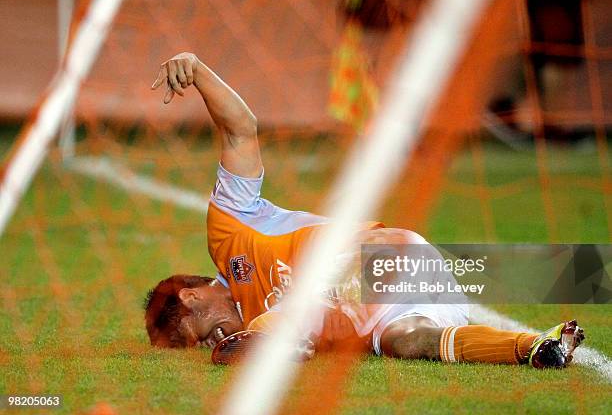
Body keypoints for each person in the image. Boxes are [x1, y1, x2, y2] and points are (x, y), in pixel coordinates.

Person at [144, 52, 584, 368]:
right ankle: (537, 346)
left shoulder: (229, 234)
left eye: (203, 334)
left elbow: (241, 132)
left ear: (191, 295)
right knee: (405, 342)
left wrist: (197, 70)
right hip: (412, 291)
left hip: (378, 255)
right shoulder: (258, 317)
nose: (215, 340)